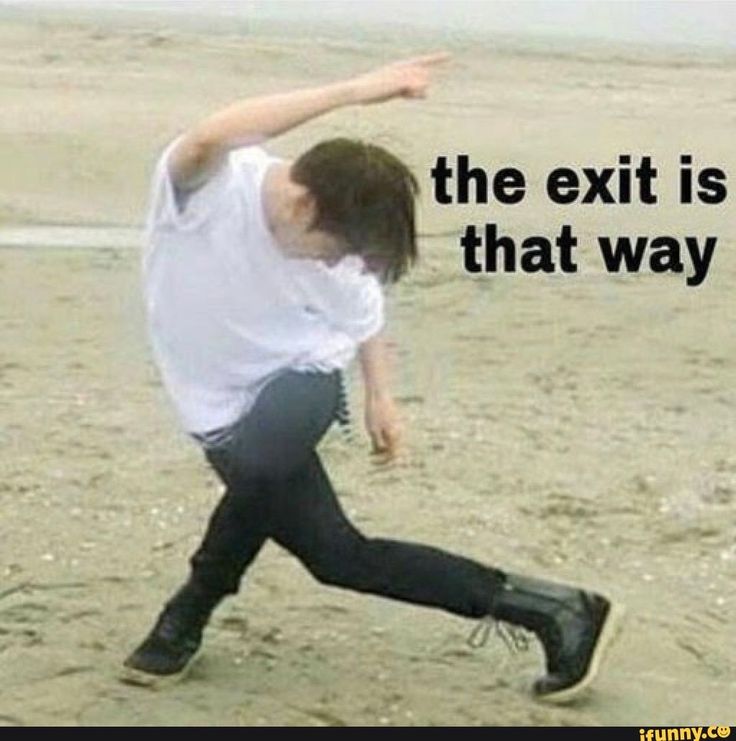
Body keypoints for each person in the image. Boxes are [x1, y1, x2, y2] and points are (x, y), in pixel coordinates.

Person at [125, 52, 622, 704]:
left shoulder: (339, 268)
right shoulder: (208, 194)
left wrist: (380, 397)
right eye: (339, 248)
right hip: (216, 402)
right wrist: (357, 90)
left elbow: (366, 320)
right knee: (299, 523)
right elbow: (213, 134)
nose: (342, 266)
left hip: (297, 385)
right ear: (301, 204)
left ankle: (186, 613)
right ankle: (558, 609)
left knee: (286, 494)